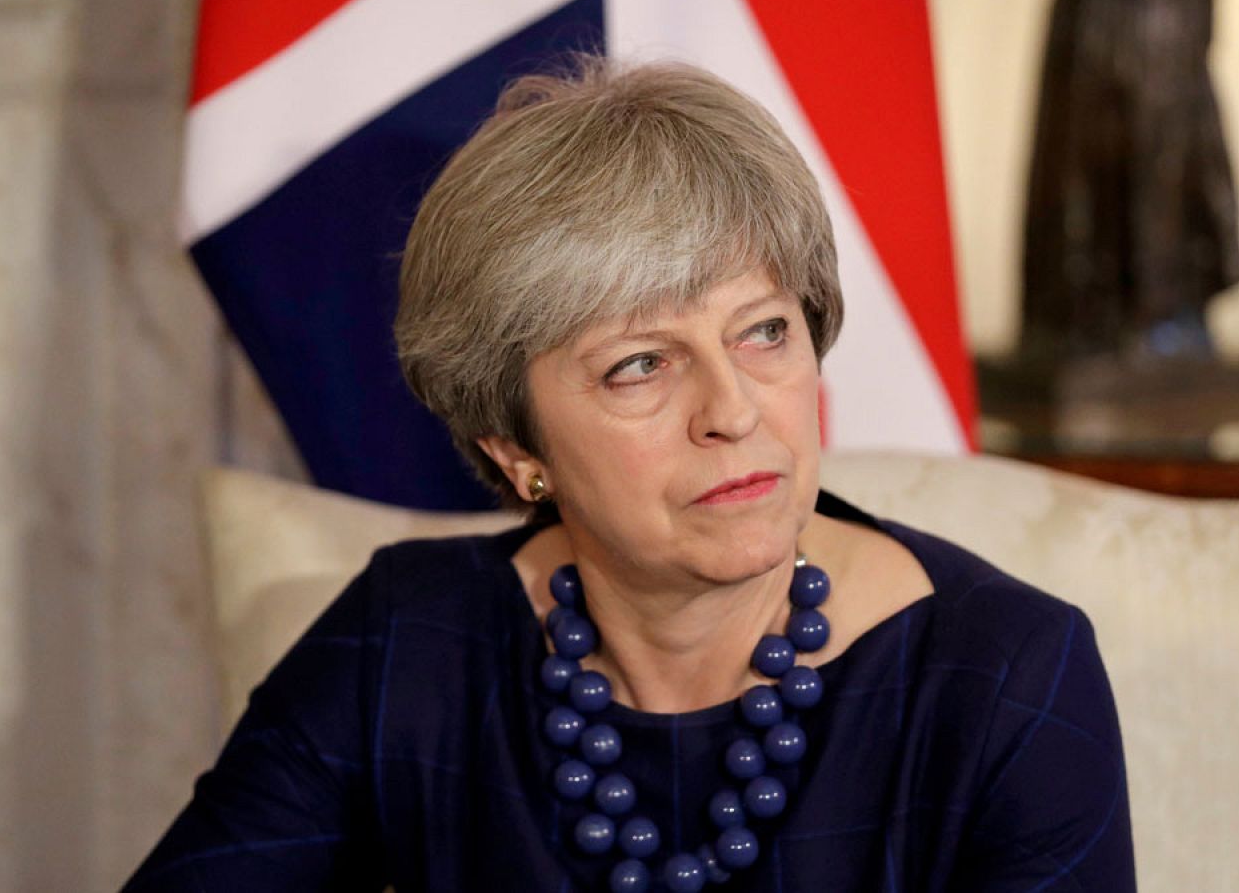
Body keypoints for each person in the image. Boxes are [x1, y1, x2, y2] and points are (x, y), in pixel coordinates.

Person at [126, 58, 1134, 892]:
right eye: (639, 364)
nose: (734, 411)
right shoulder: (408, 646)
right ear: (513, 449)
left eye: (764, 332)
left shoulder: (1006, 679)